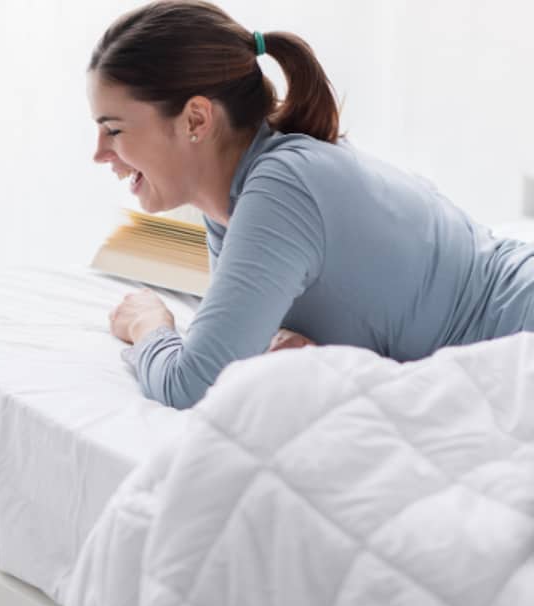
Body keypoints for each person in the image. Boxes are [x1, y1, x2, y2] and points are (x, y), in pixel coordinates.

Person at [90, 0, 534, 409]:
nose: (99, 153)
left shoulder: (283, 187)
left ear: (196, 120)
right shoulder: (237, 201)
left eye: (114, 129)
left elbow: (191, 385)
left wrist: (149, 325)